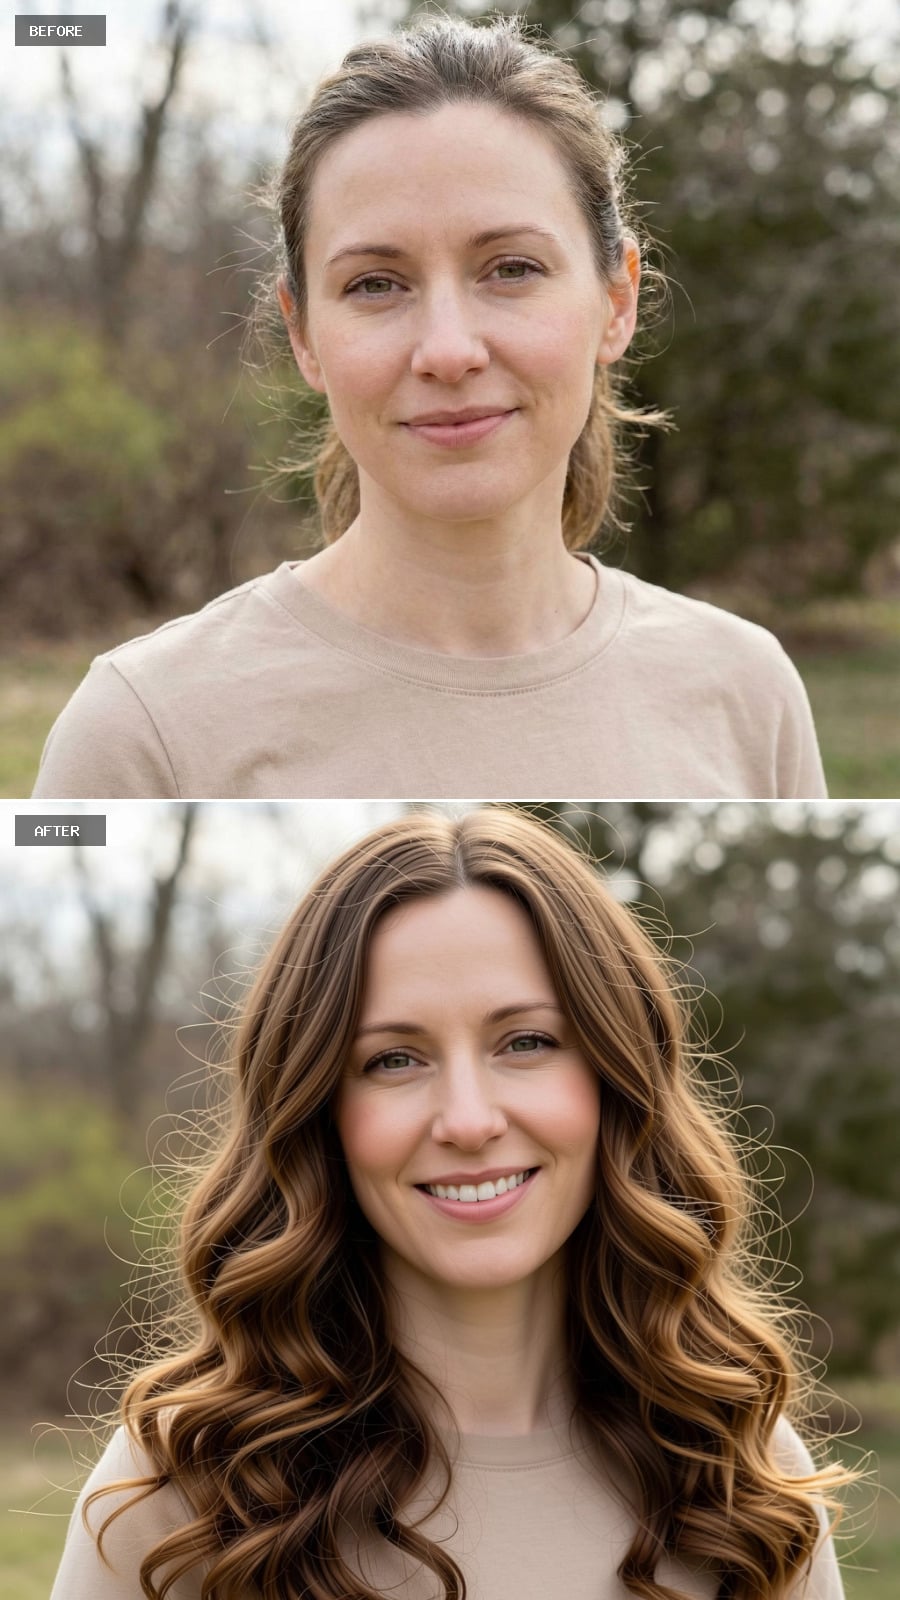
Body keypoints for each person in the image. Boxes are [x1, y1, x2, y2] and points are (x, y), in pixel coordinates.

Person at [50, 808, 855, 1599]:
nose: (469, 1121)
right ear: (319, 1113)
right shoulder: (183, 1488)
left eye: (526, 1042)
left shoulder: (741, 1473)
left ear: (617, 1079)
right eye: (394, 1059)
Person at [33, 14, 826, 801]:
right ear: (304, 334)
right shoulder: (145, 734)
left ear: (615, 300)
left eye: (511, 268)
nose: (448, 351)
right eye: (376, 284)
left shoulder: (747, 693)